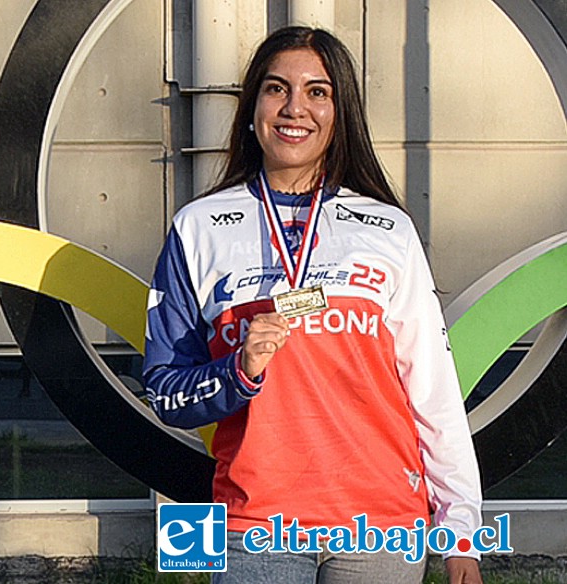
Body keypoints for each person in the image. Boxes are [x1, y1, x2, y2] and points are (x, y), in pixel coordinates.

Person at [143, 26, 483, 584]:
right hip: (254, 525)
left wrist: (461, 532)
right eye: (276, 89)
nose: (294, 108)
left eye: (317, 92)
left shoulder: (387, 228)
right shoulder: (198, 229)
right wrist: (239, 370)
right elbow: (166, 393)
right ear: (253, 105)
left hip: (380, 527)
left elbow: (433, 393)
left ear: (338, 110)